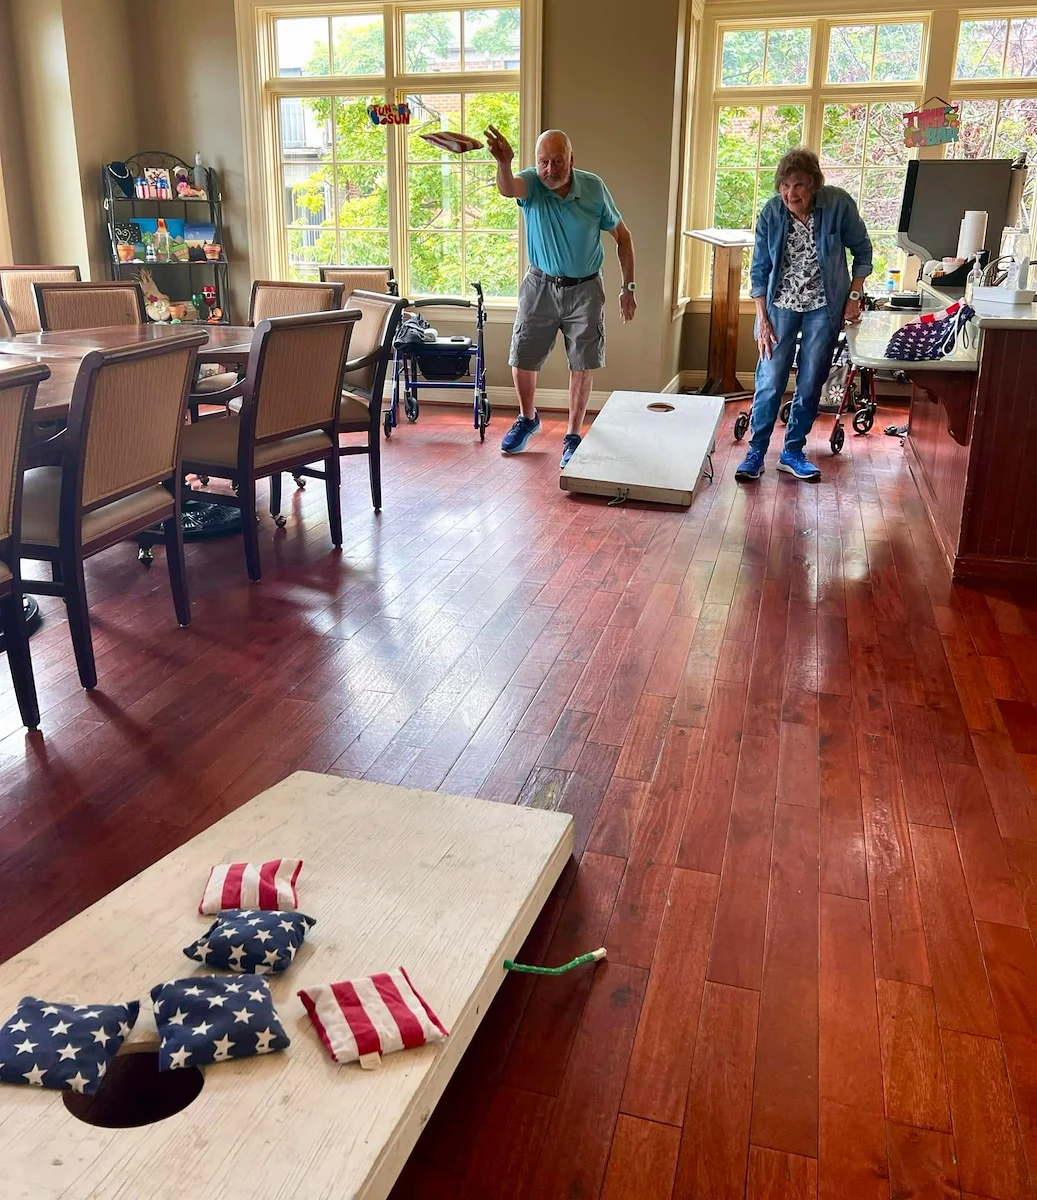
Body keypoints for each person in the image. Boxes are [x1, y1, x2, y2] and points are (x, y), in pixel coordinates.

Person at [484, 126, 636, 468]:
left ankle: (572, 434)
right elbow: (509, 189)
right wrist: (505, 163)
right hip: (540, 285)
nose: (549, 170)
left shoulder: (594, 188)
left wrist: (629, 288)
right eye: (543, 162)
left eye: (557, 161)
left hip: (585, 288)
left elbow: (623, 237)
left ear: (571, 160)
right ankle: (528, 418)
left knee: (582, 363)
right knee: (522, 357)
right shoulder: (531, 183)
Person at [735, 146, 872, 483]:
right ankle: (756, 451)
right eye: (784, 186)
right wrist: (762, 319)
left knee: (811, 380)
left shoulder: (838, 205)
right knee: (770, 380)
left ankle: (793, 450)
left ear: (813, 184)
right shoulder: (771, 213)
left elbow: (863, 250)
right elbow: (759, 269)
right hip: (779, 306)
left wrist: (854, 296)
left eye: (798, 185)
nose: (789, 193)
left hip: (824, 308)